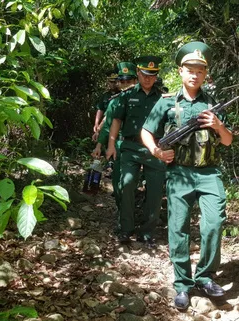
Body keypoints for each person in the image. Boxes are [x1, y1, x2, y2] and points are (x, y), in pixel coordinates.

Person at [140, 41, 233, 310]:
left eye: (200, 71)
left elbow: (227, 141)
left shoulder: (213, 103)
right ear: (180, 71)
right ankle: (182, 284)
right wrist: (156, 151)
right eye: (189, 69)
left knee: (213, 223)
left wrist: (218, 125)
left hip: (209, 173)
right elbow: (147, 131)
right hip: (178, 174)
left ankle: (204, 276)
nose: (195, 74)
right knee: (178, 228)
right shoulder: (166, 102)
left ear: (206, 75)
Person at [105, 56, 166, 247]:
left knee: (155, 192)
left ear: (156, 76)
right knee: (127, 184)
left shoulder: (163, 98)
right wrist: (111, 145)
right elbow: (116, 121)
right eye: (145, 74)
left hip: (156, 149)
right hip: (131, 147)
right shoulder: (127, 95)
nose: (148, 79)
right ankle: (126, 229)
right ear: (138, 73)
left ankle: (147, 232)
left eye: (152, 75)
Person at [92, 62, 138, 226]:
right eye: (122, 81)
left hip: (146, 149)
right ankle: (125, 219)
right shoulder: (114, 102)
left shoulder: (149, 99)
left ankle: (138, 217)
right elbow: (108, 125)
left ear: (136, 80)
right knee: (120, 185)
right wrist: (99, 145)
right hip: (120, 146)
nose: (125, 85)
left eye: (129, 81)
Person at [92, 67, 120, 141]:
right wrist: (96, 123)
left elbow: (109, 114)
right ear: (108, 82)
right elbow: (100, 109)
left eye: (115, 82)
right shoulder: (105, 95)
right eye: (111, 82)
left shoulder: (121, 95)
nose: (113, 84)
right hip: (105, 125)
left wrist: (99, 128)